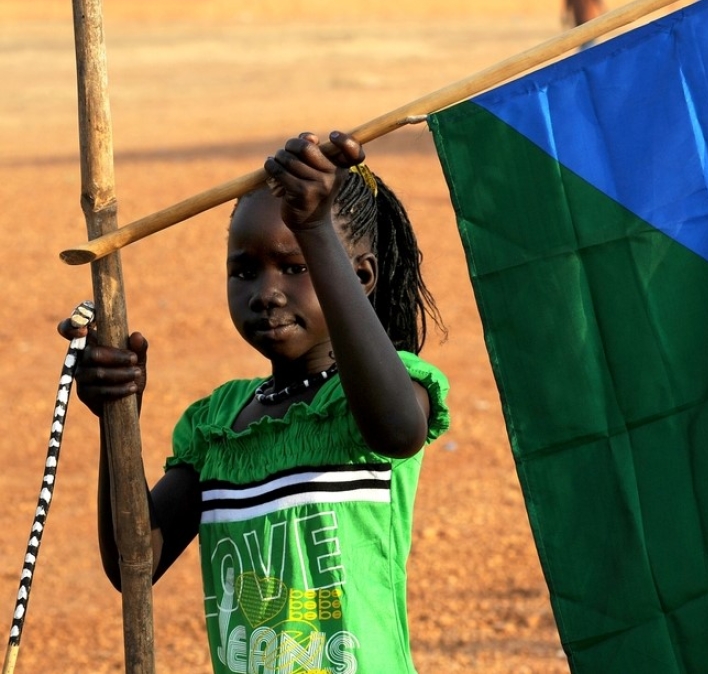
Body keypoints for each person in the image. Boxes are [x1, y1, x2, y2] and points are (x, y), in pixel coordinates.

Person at [60, 131, 449, 673]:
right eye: (244, 271)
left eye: (295, 266)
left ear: (359, 276)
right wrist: (117, 415)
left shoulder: (378, 396)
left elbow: (398, 431)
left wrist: (314, 227)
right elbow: (133, 563)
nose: (266, 293)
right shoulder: (220, 425)